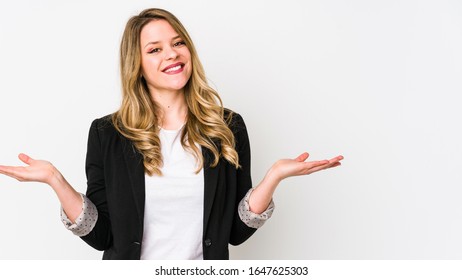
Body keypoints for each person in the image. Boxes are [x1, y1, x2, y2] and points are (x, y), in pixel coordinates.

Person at [0, 8, 343, 260]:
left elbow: (236, 234)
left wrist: (273, 178)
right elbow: (103, 235)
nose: (172, 54)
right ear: (137, 64)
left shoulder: (227, 127)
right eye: (155, 49)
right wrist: (55, 180)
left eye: (178, 43)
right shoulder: (108, 133)